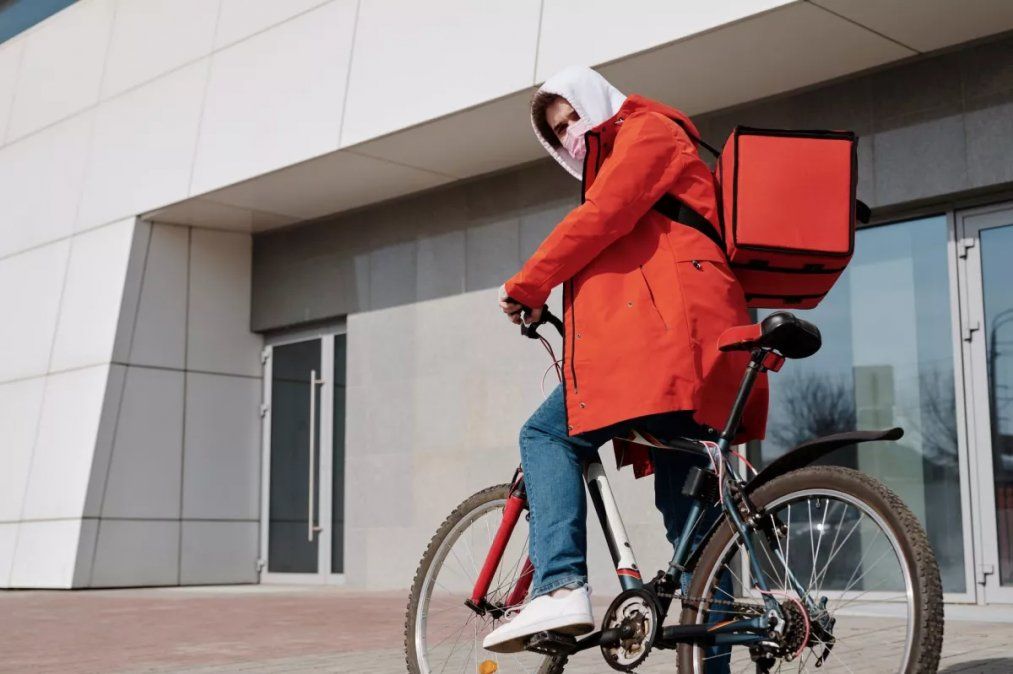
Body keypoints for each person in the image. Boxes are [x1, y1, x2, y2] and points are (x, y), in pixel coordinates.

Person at [482, 65, 768, 658]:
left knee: (545, 435)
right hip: (689, 351)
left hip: (674, 347)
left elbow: (604, 215)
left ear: (597, 101)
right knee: (692, 533)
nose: (570, 136)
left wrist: (528, 286)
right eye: (558, 133)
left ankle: (560, 586)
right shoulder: (642, 145)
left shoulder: (649, 132)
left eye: (573, 118)